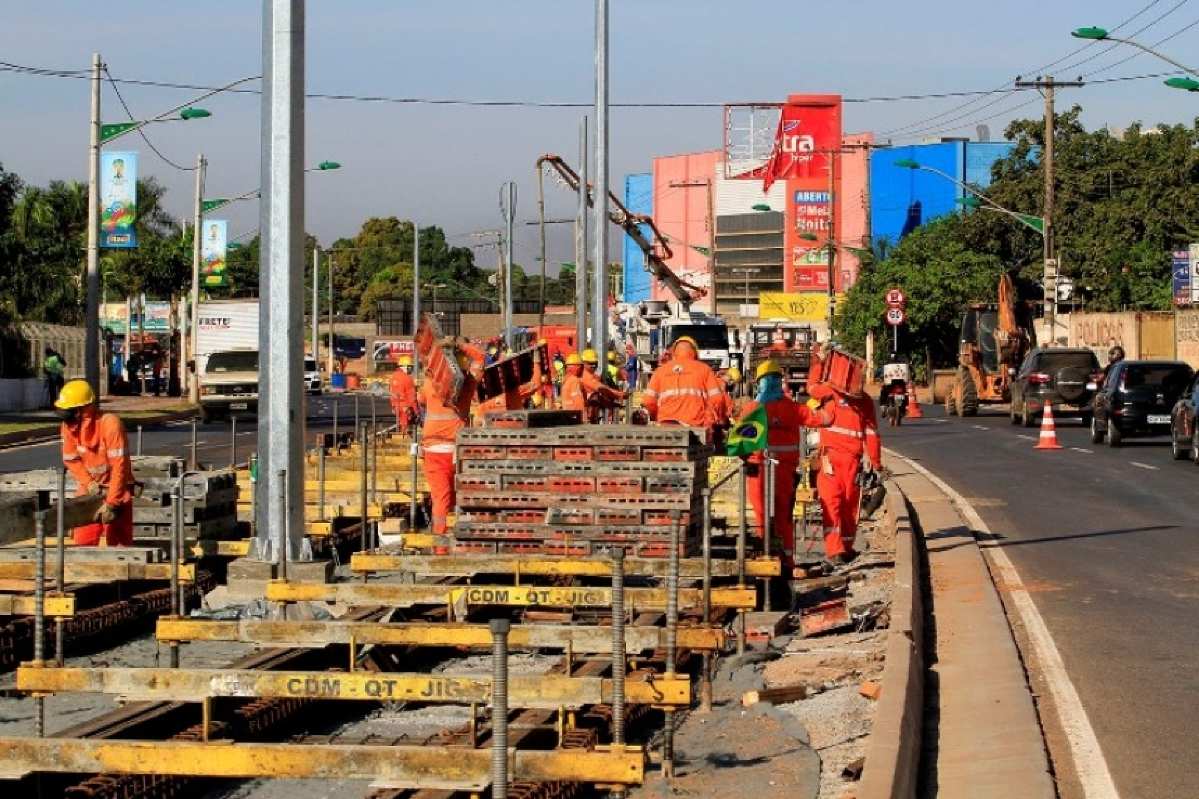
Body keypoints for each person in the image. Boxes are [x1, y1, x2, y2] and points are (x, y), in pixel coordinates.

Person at [740, 360, 832, 570]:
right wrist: (831, 397)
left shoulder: (752, 409)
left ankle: (766, 562)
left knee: (762, 518)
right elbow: (823, 420)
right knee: (784, 519)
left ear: (760, 383)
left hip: (758, 472)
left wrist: (748, 459)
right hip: (785, 473)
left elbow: (738, 445)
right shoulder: (793, 408)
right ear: (780, 382)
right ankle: (787, 563)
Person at [807, 353, 882, 566]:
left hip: (841, 461)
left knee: (841, 506)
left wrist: (817, 365)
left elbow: (811, 388)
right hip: (839, 460)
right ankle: (838, 550)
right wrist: (876, 463)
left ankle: (841, 550)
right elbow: (872, 434)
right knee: (841, 505)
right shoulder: (853, 398)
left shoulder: (845, 396)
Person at [55, 379, 134, 546]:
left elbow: (119, 467)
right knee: (83, 543)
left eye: (69, 415)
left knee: (121, 547)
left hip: (117, 489)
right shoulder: (68, 427)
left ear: (83, 410)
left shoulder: (110, 425)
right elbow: (71, 459)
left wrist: (112, 504)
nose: (67, 422)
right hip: (90, 491)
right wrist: (89, 483)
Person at [419, 346, 482, 539]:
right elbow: (480, 358)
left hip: (436, 451)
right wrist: (461, 345)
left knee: (442, 496)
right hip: (457, 451)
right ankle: (456, 535)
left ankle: (440, 538)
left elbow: (420, 399)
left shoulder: (430, 384)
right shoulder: (468, 385)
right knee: (457, 495)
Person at [641, 337, 725, 430]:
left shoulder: (660, 371)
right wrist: (712, 420)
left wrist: (657, 417)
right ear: (695, 353)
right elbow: (717, 400)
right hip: (696, 425)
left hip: (665, 425)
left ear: (674, 353)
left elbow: (648, 401)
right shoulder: (705, 369)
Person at [581, 349, 626, 422]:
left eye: (595, 363)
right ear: (583, 363)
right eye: (590, 363)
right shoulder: (586, 376)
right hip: (586, 415)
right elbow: (601, 388)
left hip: (593, 414)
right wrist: (620, 394)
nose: (594, 365)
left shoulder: (594, 376)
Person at [389, 355, 418, 435]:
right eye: (410, 367)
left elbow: (391, 392)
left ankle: (402, 436)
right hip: (406, 407)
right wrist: (416, 411)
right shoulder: (408, 379)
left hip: (396, 406)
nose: (411, 370)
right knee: (406, 427)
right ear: (406, 367)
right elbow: (412, 396)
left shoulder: (393, 377)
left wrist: (393, 406)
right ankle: (404, 441)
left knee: (401, 425)